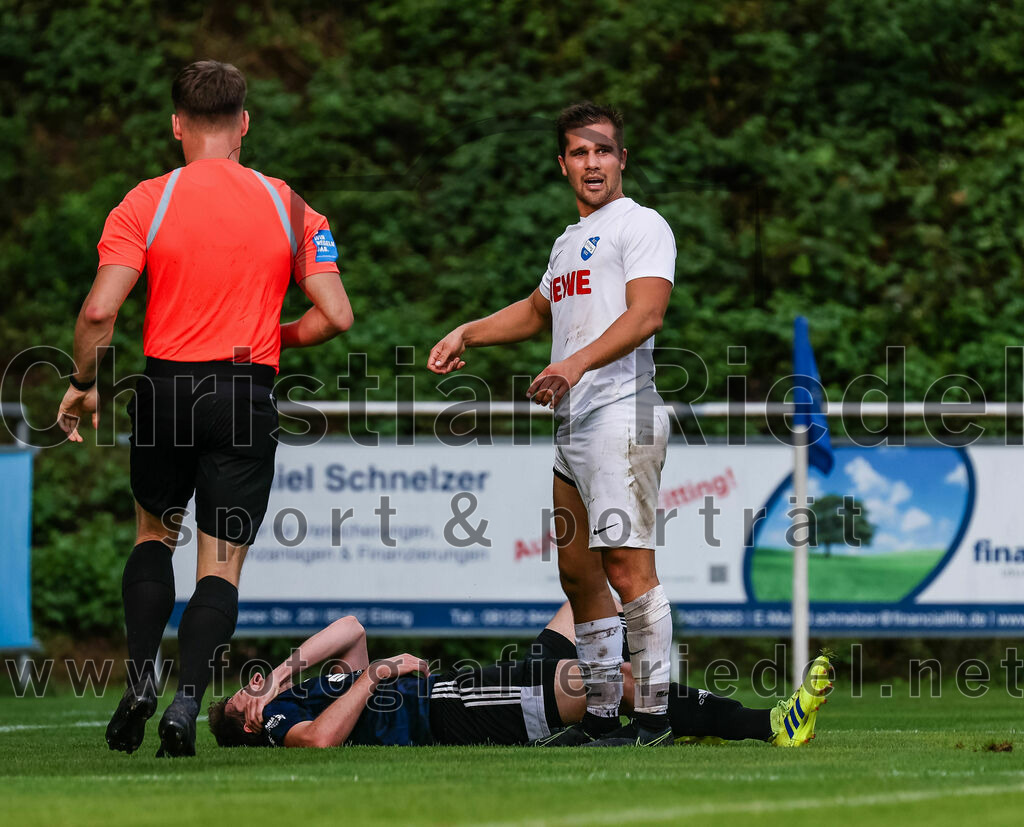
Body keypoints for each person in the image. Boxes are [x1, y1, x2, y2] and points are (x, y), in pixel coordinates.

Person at [55, 60, 353, 758]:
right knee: (220, 564)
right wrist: (268, 339)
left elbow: (101, 308)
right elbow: (335, 314)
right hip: (245, 393)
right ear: (244, 123)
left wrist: (83, 380)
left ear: (176, 125)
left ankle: (138, 679)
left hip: (166, 389)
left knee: (154, 538)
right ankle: (187, 700)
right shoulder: (290, 205)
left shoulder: (146, 202)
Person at [428, 102, 677, 745]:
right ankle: (598, 718)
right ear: (562, 162)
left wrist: (575, 363)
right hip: (576, 423)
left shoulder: (641, 225)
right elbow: (537, 312)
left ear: (623, 159)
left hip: (623, 411)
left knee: (627, 567)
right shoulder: (569, 242)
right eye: (579, 152)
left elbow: (646, 314)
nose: (591, 163)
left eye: (603, 151)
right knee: (579, 575)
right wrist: (468, 333)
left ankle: (652, 718)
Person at [208, 603, 833, 749]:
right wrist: (377, 676)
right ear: (244, 717)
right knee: (603, 679)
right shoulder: (282, 721)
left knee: (590, 600)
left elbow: (348, 628)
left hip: (465, 684)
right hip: (455, 710)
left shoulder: (299, 689)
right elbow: (322, 741)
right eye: (241, 696)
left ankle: (674, 719)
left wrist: (284, 671)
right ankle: (772, 723)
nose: (251, 687)